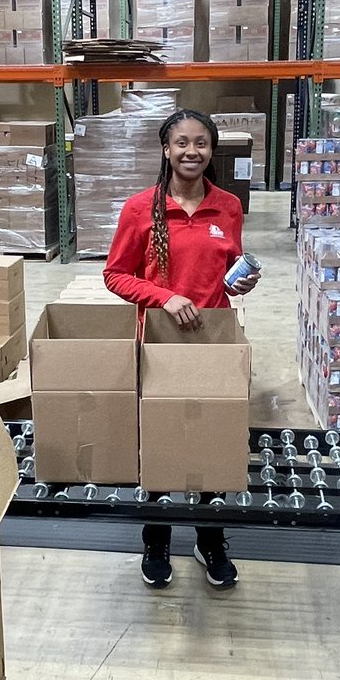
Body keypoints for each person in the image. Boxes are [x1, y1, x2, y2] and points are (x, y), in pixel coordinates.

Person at [104, 108, 261, 590]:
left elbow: (230, 270)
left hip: (212, 343)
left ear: (212, 150)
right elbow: (115, 275)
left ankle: (210, 540)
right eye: (182, 143)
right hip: (159, 345)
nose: (192, 151)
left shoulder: (228, 207)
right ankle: (156, 539)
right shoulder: (140, 209)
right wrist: (164, 297)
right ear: (166, 150)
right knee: (161, 441)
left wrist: (242, 282)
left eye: (201, 143)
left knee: (211, 440)